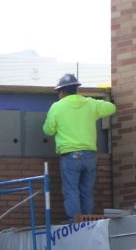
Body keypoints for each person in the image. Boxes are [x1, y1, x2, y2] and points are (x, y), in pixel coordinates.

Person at [43, 73, 116, 221]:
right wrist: (92, 106)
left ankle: (75, 222)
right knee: (87, 191)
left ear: (62, 91)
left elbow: (48, 130)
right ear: (76, 89)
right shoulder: (90, 104)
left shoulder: (57, 107)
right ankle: (87, 220)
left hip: (70, 155)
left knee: (71, 191)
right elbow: (111, 107)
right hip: (89, 155)